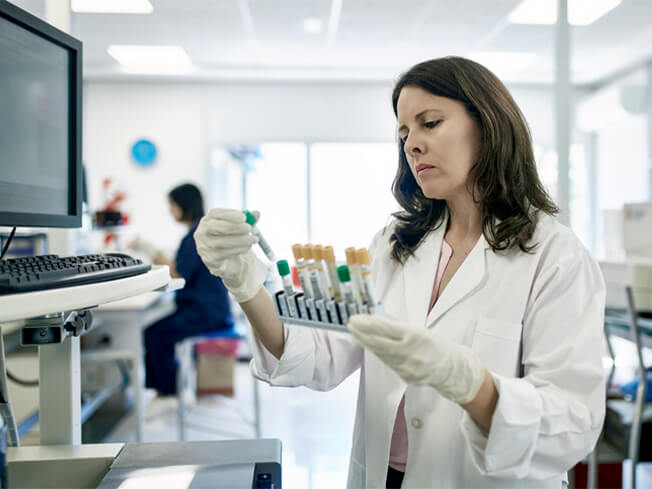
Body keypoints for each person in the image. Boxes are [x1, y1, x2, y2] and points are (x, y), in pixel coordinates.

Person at [193, 57, 606, 488]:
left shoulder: (554, 256)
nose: (411, 145)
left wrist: (474, 386)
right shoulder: (396, 243)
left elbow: (572, 420)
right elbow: (321, 354)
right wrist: (243, 282)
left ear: (488, 124)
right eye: (404, 133)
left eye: (429, 123)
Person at [136, 183, 233, 396]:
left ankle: (169, 391)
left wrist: (152, 250)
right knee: (154, 333)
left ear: (184, 205)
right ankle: (167, 387)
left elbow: (178, 272)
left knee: (155, 335)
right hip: (207, 309)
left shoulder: (197, 236)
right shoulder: (198, 232)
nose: (171, 210)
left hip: (205, 313)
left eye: (172, 204)